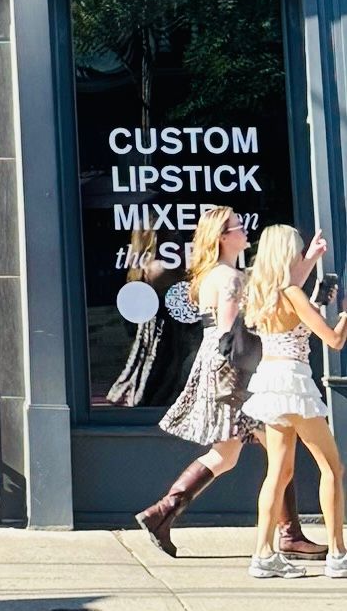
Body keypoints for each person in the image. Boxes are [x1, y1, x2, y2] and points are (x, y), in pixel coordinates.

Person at [135, 209, 326, 559]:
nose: (244, 230)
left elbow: (279, 293)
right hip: (235, 373)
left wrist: (309, 260)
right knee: (276, 450)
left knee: (227, 455)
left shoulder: (215, 274)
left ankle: (162, 513)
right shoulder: (230, 279)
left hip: (223, 370)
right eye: (238, 227)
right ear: (223, 237)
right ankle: (289, 535)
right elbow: (229, 334)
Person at [243, 223, 347, 580]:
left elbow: (292, 285)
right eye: (299, 249)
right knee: (331, 468)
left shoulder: (262, 291)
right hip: (295, 383)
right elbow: (333, 340)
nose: (301, 253)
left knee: (278, 472)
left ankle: (263, 554)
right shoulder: (293, 294)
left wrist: (313, 258)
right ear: (287, 252)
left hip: (270, 382)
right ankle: (338, 553)